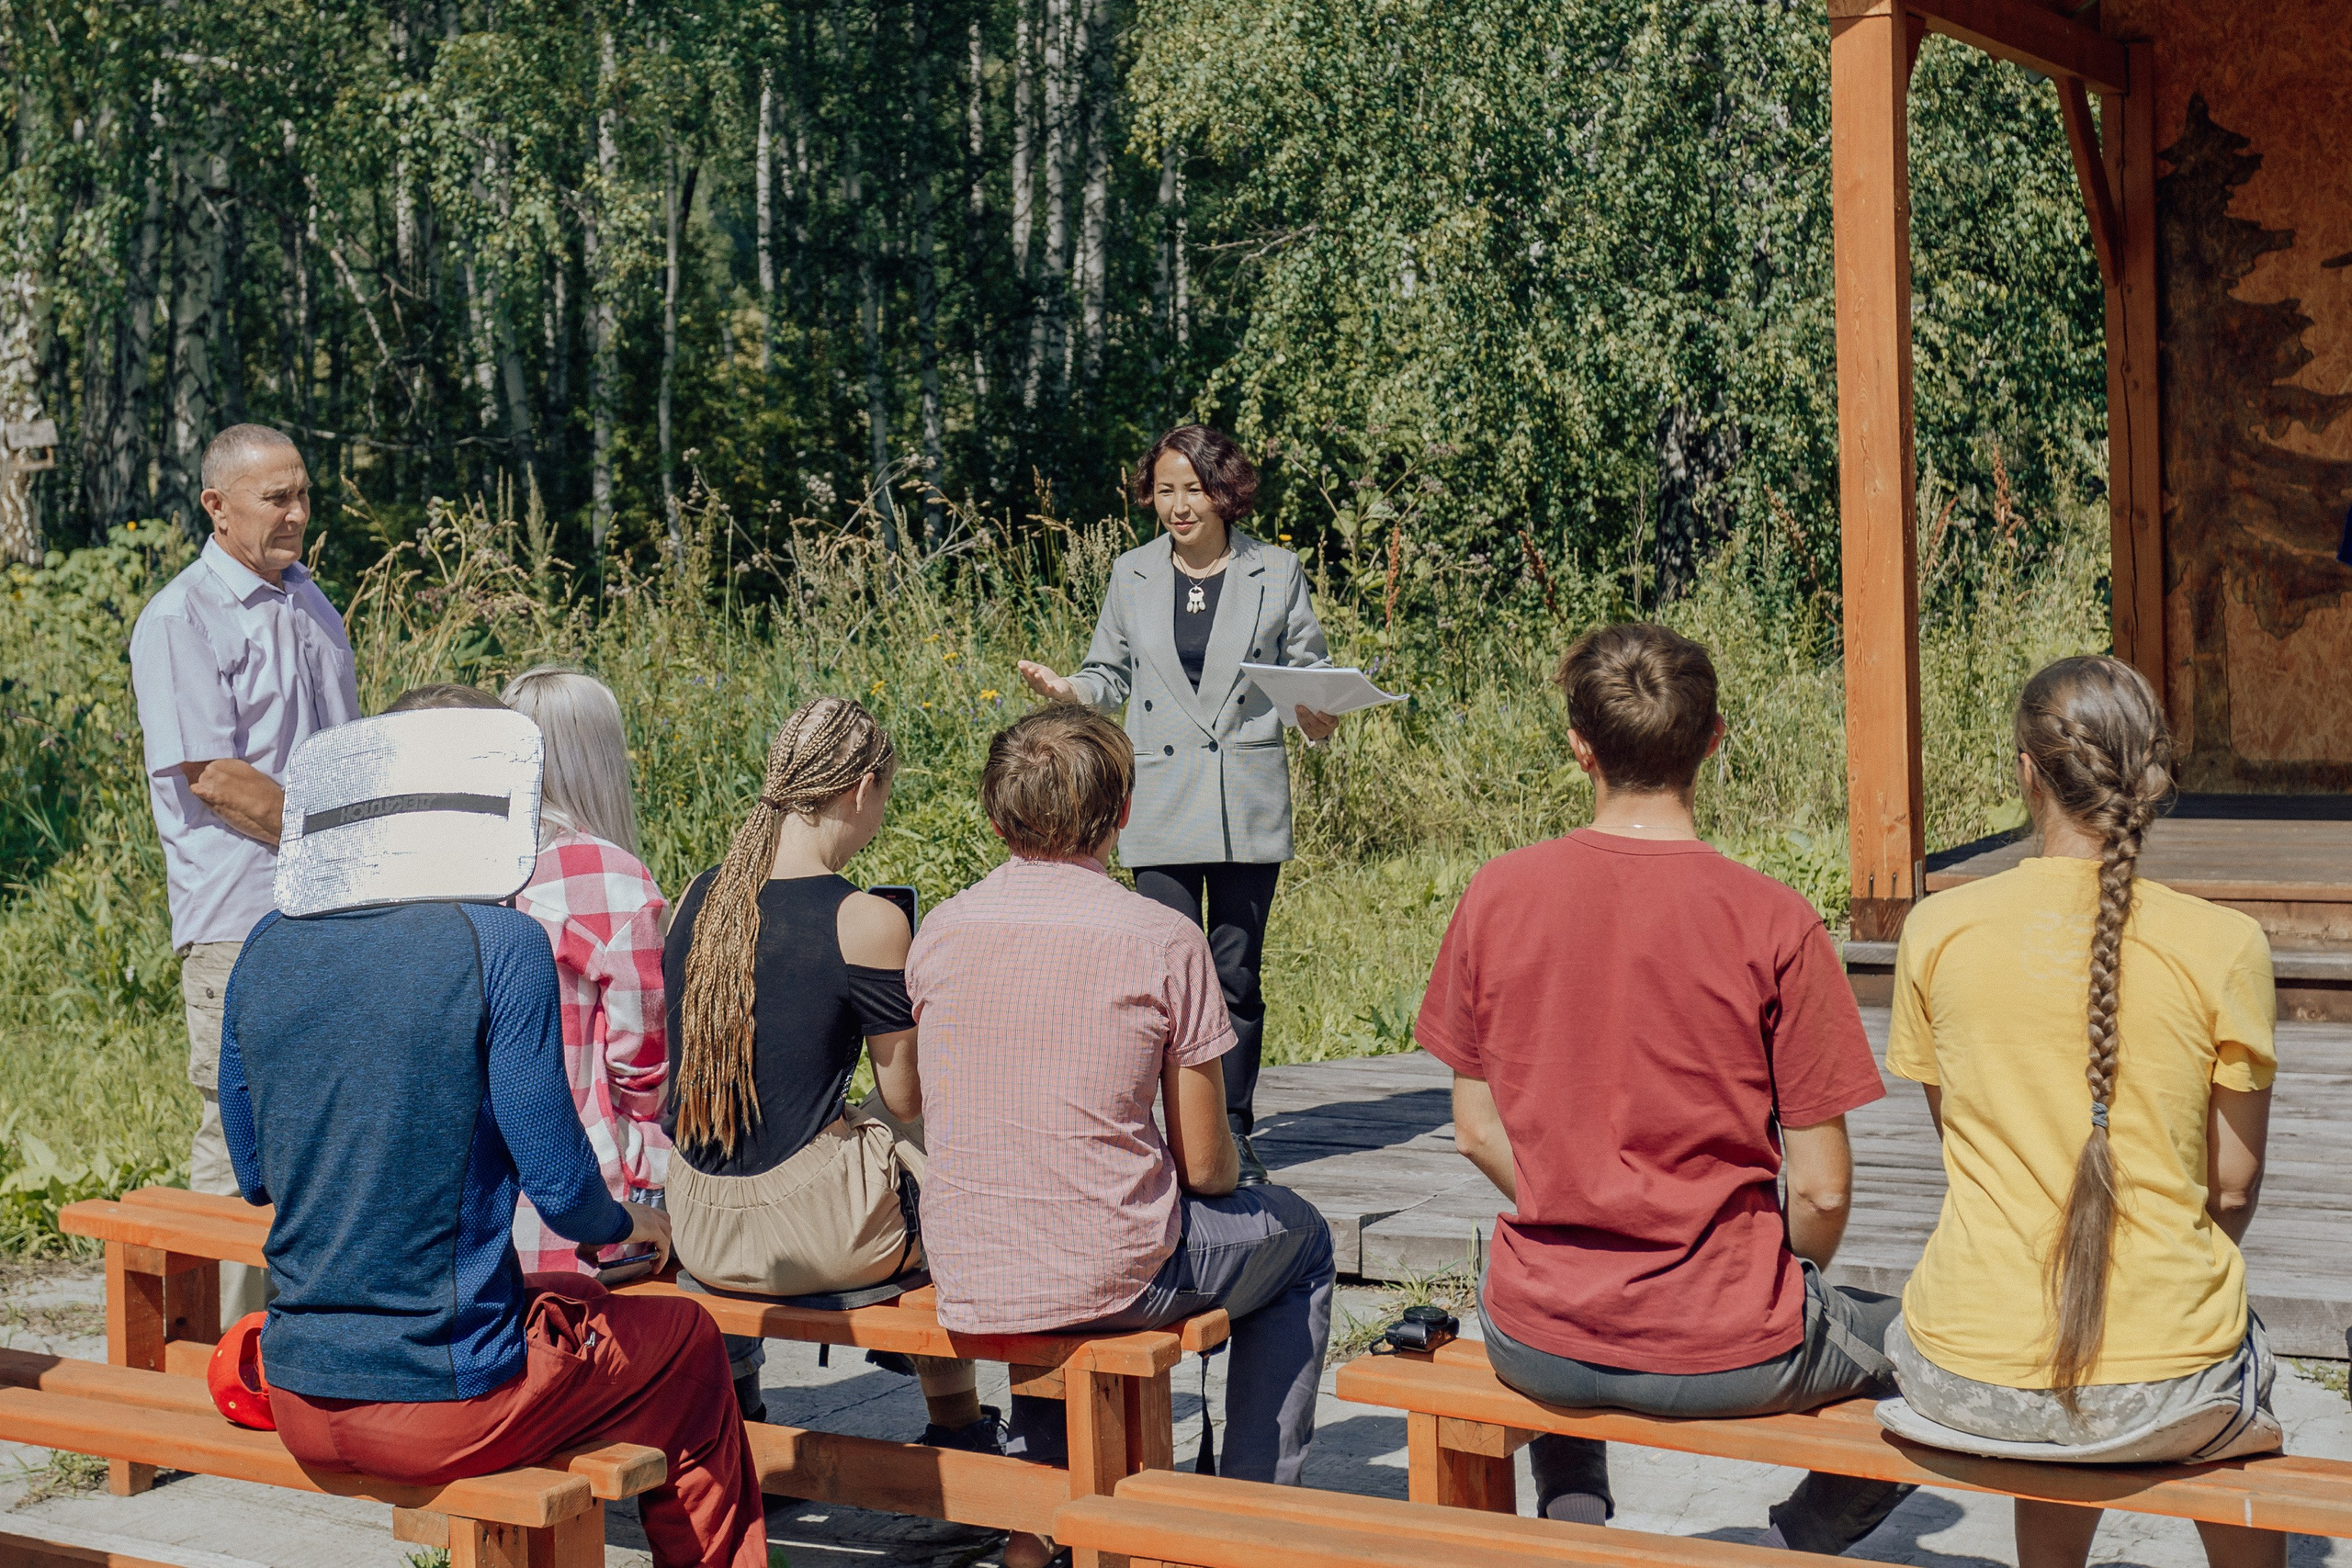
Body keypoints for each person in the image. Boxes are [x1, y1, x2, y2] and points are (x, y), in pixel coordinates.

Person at [218, 696, 765, 1568]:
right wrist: (633, 1225)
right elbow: (561, 1186)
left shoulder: (263, 948)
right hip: (446, 1398)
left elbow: (255, 1172)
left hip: (298, 1391)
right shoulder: (499, 941)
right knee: (690, 1345)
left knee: (567, 1311)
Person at [1415, 623, 1909, 1551]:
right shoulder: (1776, 921)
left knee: (1577, 1337)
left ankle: (1574, 1507)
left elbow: (1475, 1130)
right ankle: (1795, 1537)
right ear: (1714, 739)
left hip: (1536, 1335)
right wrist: (1782, 1276)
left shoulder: (1496, 892)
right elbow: (1822, 1186)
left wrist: (1572, 1199)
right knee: (1921, 1345)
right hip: (1723, 1339)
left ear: (1579, 748)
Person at [1877, 656, 2283, 1568]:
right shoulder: (2225, 946)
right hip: (2165, 1390)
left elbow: (1964, 1144)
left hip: (1964, 1374)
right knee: (2236, 1358)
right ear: (2150, 771)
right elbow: (2232, 1184)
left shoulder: (1934, 932)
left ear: (2025, 769)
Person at [907, 704, 1334, 1568]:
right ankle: (1245, 1520)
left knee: (1050, 1226)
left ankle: (1038, 1522)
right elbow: (1210, 1165)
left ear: (994, 817)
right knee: (1305, 1243)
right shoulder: (1162, 937)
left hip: (970, 1261)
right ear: (1125, 813)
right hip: (1109, 1266)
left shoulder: (941, 929)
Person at [1015, 425, 1340, 1186]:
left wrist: (1318, 713)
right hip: (1159, 799)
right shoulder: (1131, 573)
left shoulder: (1278, 569)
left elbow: (1310, 673)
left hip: (1243, 799)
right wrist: (1073, 693)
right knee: (1159, 973)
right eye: (1164, 490)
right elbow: (1106, 670)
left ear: (1224, 490)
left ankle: (1231, 1131)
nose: (1178, 505)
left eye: (1192, 488)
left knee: (1234, 975)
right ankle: (1163, 1132)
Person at [662, 698, 990, 1450]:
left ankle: (742, 1410)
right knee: (933, 1142)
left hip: (701, 1226)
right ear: (861, 787)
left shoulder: (695, 899)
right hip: (821, 1237)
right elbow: (907, 1097)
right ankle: (959, 1425)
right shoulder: (868, 920)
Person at [128, 423, 360, 1321]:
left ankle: (300, 1336)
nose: (299, 514)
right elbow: (215, 779)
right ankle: (214, 1349)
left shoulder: (313, 603)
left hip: (333, 908)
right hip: (242, 918)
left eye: (304, 494)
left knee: (329, 1125)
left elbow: (342, 755)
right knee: (240, 1136)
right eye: (278, 498)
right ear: (216, 508)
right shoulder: (181, 618)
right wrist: (341, 843)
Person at [501, 667, 673, 1276]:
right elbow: (642, 1067)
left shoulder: (478, 868)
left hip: (485, 1200)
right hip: (591, 1204)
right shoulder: (612, 876)